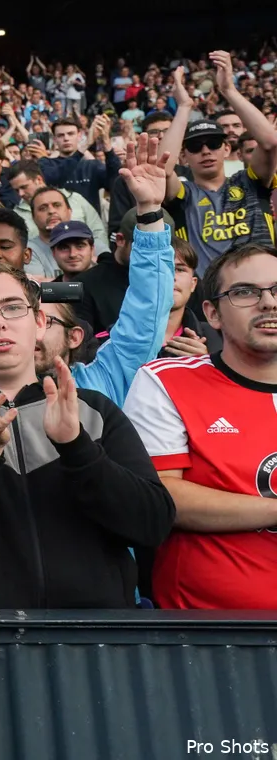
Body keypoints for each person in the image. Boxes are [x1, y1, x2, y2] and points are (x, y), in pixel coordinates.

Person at [0, 261, 175, 612]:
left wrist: (77, 448)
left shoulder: (92, 408)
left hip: (96, 634)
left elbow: (152, 523)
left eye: (12, 308)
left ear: (39, 322)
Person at [124, 245, 277, 608]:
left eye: (276, 290)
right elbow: (163, 497)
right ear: (212, 314)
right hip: (208, 628)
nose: (269, 303)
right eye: (245, 292)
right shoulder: (168, 381)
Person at [161, 56, 277, 275]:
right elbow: (161, 169)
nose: (206, 151)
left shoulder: (249, 181)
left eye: (213, 144)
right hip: (208, 290)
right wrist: (184, 106)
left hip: (263, 285)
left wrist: (228, 90)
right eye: (195, 146)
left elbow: (270, 143)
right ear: (183, 156)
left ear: (226, 148)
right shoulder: (184, 194)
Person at [5, 159, 109, 254]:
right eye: (16, 190)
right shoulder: (17, 215)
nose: (20, 193)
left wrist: (100, 258)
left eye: (24, 187)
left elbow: (98, 231)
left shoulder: (75, 199)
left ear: (38, 179)